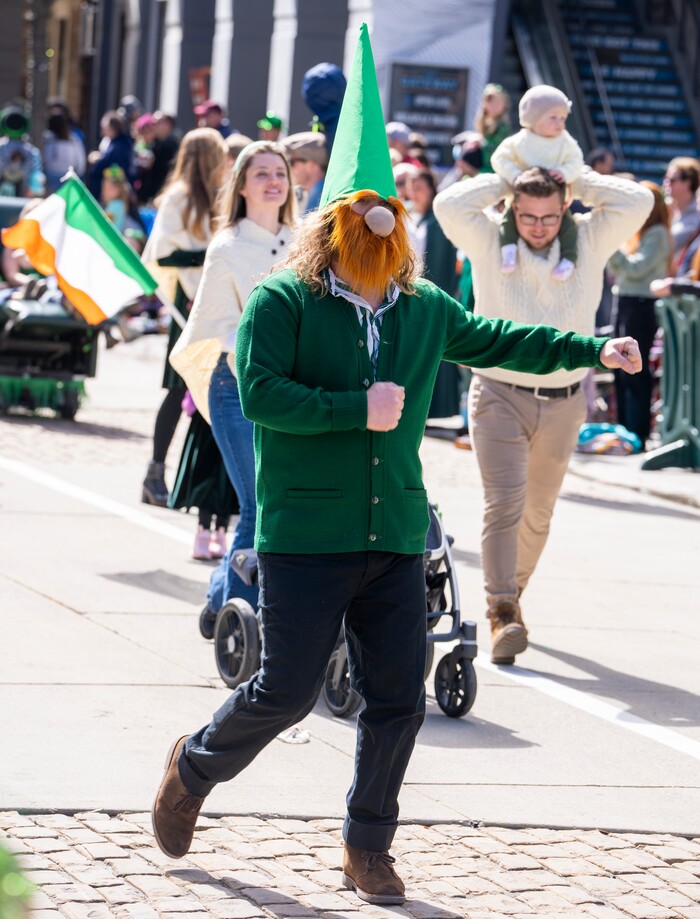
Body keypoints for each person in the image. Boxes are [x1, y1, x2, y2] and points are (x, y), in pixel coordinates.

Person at [151, 24, 644, 907]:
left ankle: (364, 844)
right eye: (362, 212)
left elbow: (498, 336)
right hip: (306, 532)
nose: (380, 226)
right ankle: (192, 766)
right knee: (285, 691)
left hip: (395, 531)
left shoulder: (420, 306)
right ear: (335, 222)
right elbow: (257, 392)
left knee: (398, 698)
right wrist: (354, 409)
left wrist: (591, 346)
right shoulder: (281, 299)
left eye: (390, 213)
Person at [434, 164, 653, 665]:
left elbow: (637, 201)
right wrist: (506, 177)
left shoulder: (590, 240)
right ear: (512, 208)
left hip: (564, 400)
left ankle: (511, 596)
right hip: (497, 392)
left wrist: (574, 177)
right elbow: (449, 206)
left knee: (538, 513)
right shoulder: (491, 240)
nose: (538, 226)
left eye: (549, 216)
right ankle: (502, 611)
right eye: (527, 215)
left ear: (566, 210)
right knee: (504, 503)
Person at [169, 140, 296, 627]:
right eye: (261, 172)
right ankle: (231, 615)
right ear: (241, 185)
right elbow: (217, 326)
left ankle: (219, 599)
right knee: (258, 504)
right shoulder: (226, 248)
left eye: (279, 172)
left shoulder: (306, 243)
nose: (272, 181)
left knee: (278, 504)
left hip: (291, 393)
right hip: (237, 386)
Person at [140, 128, 228, 506]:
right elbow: (160, 255)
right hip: (187, 303)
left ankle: (205, 483)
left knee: (219, 391)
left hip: (217, 299)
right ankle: (154, 472)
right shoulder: (178, 198)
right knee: (178, 389)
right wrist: (207, 255)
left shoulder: (221, 195)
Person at [491, 85, 584, 280]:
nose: (559, 123)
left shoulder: (564, 141)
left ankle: (569, 259)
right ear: (533, 117)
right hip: (522, 196)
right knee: (508, 221)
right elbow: (499, 158)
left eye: (563, 118)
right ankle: (508, 251)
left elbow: (576, 161)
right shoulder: (520, 140)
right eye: (553, 117)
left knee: (568, 226)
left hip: (556, 200)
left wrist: (565, 173)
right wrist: (514, 174)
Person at [607, 182, 671, 447]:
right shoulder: (638, 233)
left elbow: (635, 268)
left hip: (641, 303)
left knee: (634, 368)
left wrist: (609, 244)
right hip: (624, 300)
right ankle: (624, 429)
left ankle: (637, 432)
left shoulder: (657, 233)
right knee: (618, 368)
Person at [407, 169, 461, 419]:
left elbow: (438, 263)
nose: (415, 194)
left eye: (420, 188)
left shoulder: (437, 223)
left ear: (431, 190)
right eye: (412, 188)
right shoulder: (415, 218)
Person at [168, 393, 238, 561]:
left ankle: (220, 530)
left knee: (229, 472)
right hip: (208, 400)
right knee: (206, 469)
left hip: (233, 404)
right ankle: (204, 530)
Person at [87, 111, 135, 199]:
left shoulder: (119, 146)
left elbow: (117, 170)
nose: (102, 131)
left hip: (110, 193)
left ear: (112, 128)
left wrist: (98, 161)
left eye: (104, 128)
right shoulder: (113, 142)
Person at [663, 156, 700, 262]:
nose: (666, 183)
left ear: (688, 183)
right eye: (665, 178)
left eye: (672, 180)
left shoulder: (696, 218)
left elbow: (665, 247)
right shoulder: (667, 208)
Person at [283, 131, 327, 215]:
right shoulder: (305, 194)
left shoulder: (321, 197)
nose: (289, 168)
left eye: (292, 162)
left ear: (312, 165)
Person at [43, 113, 86, 193]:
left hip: (61, 179)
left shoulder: (47, 140)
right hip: (61, 179)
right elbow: (81, 163)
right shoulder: (74, 140)